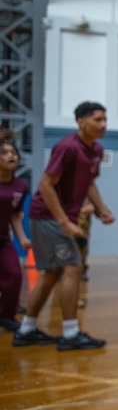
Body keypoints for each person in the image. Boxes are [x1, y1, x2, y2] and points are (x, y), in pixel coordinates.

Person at [15, 101, 114, 350]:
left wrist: (102, 209)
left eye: (105, 119)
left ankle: (26, 329)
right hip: (48, 216)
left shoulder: (96, 150)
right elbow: (46, 185)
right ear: (82, 123)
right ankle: (70, 334)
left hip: (60, 217)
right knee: (73, 267)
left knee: (52, 274)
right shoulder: (67, 147)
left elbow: (89, 181)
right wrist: (64, 222)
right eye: (97, 120)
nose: (103, 124)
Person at [0, 140, 30, 332]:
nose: (12, 156)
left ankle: (7, 316)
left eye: (14, 152)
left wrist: (23, 239)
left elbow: (14, 215)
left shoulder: (21, 185)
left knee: (15, 276)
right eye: (5, 152)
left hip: (3, 240)